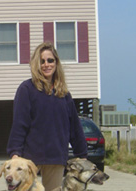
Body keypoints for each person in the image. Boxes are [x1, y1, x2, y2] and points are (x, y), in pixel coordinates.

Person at [7, 42, 88, 191]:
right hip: (30, 159)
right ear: (36, 64)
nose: (46, 64)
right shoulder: (27, 89)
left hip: (56, 157)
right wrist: (15, 152)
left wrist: (81, 153)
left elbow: (74, 127)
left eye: (50, 60)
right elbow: (20, 123)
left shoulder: (64, 94)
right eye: (42, 61)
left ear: (56, 63)